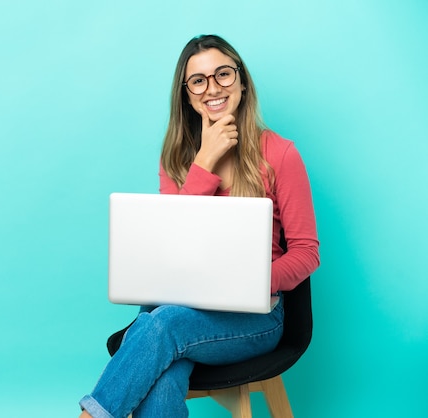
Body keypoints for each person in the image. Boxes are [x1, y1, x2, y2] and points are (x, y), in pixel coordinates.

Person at [78, 34, 320, 418]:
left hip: (254, 318)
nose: (213, 88)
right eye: (199, 80)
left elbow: (307, 254)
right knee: (164, 371)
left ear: (241, 80)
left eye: (223, 74)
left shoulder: (280, 154)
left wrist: (247, 281)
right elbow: (172, 247)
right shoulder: (176, 159)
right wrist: (204, 164)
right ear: (187, 93)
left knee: (160, 327)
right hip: (178, 309)